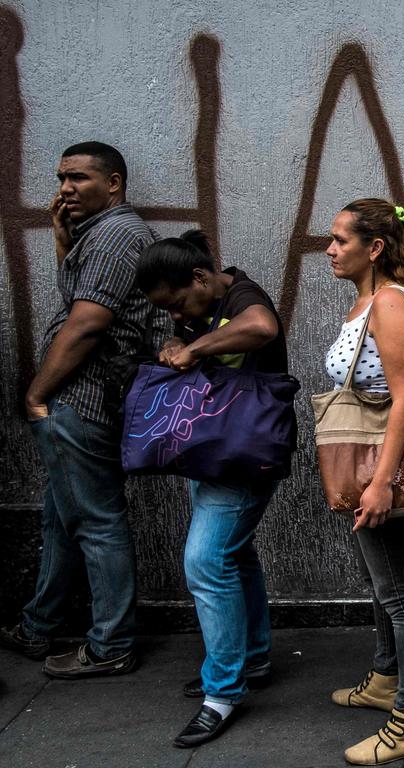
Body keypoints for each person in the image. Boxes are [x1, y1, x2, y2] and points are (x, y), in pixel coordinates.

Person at [0, 142, 156, 677]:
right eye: (62, 178)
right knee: (61, 520)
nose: (65, 187)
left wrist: (37, 393)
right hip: (80, 401)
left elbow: (87, 321)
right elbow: (78, 296)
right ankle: (39, 626)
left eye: (79, 178)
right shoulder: (98, 236)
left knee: (96, 522)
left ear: (113, 183)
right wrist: (65, 241)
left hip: (82, 400)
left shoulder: (114, 237)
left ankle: (111, 644)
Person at [134, 230, 291, 747]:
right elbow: (197, 342)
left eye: (178, 302)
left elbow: (262, 327)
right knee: (234, 555)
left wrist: (195, 346)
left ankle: (221, 693)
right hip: (214, 449)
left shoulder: (243, 294)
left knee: (205, 562)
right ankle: (254, 657)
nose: (177, 314)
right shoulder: (201, 308)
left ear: (201, 277)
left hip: (242, 455)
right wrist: (183, 342)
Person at [324, 199, 404, 765]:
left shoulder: (390, 303)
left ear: (375, 248)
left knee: (401, 596)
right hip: (368, 465)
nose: (329, 249)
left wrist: (382, 482)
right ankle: (387, 678)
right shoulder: (368, 300)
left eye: (341, 240)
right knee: (383, 586)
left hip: (379, 469)